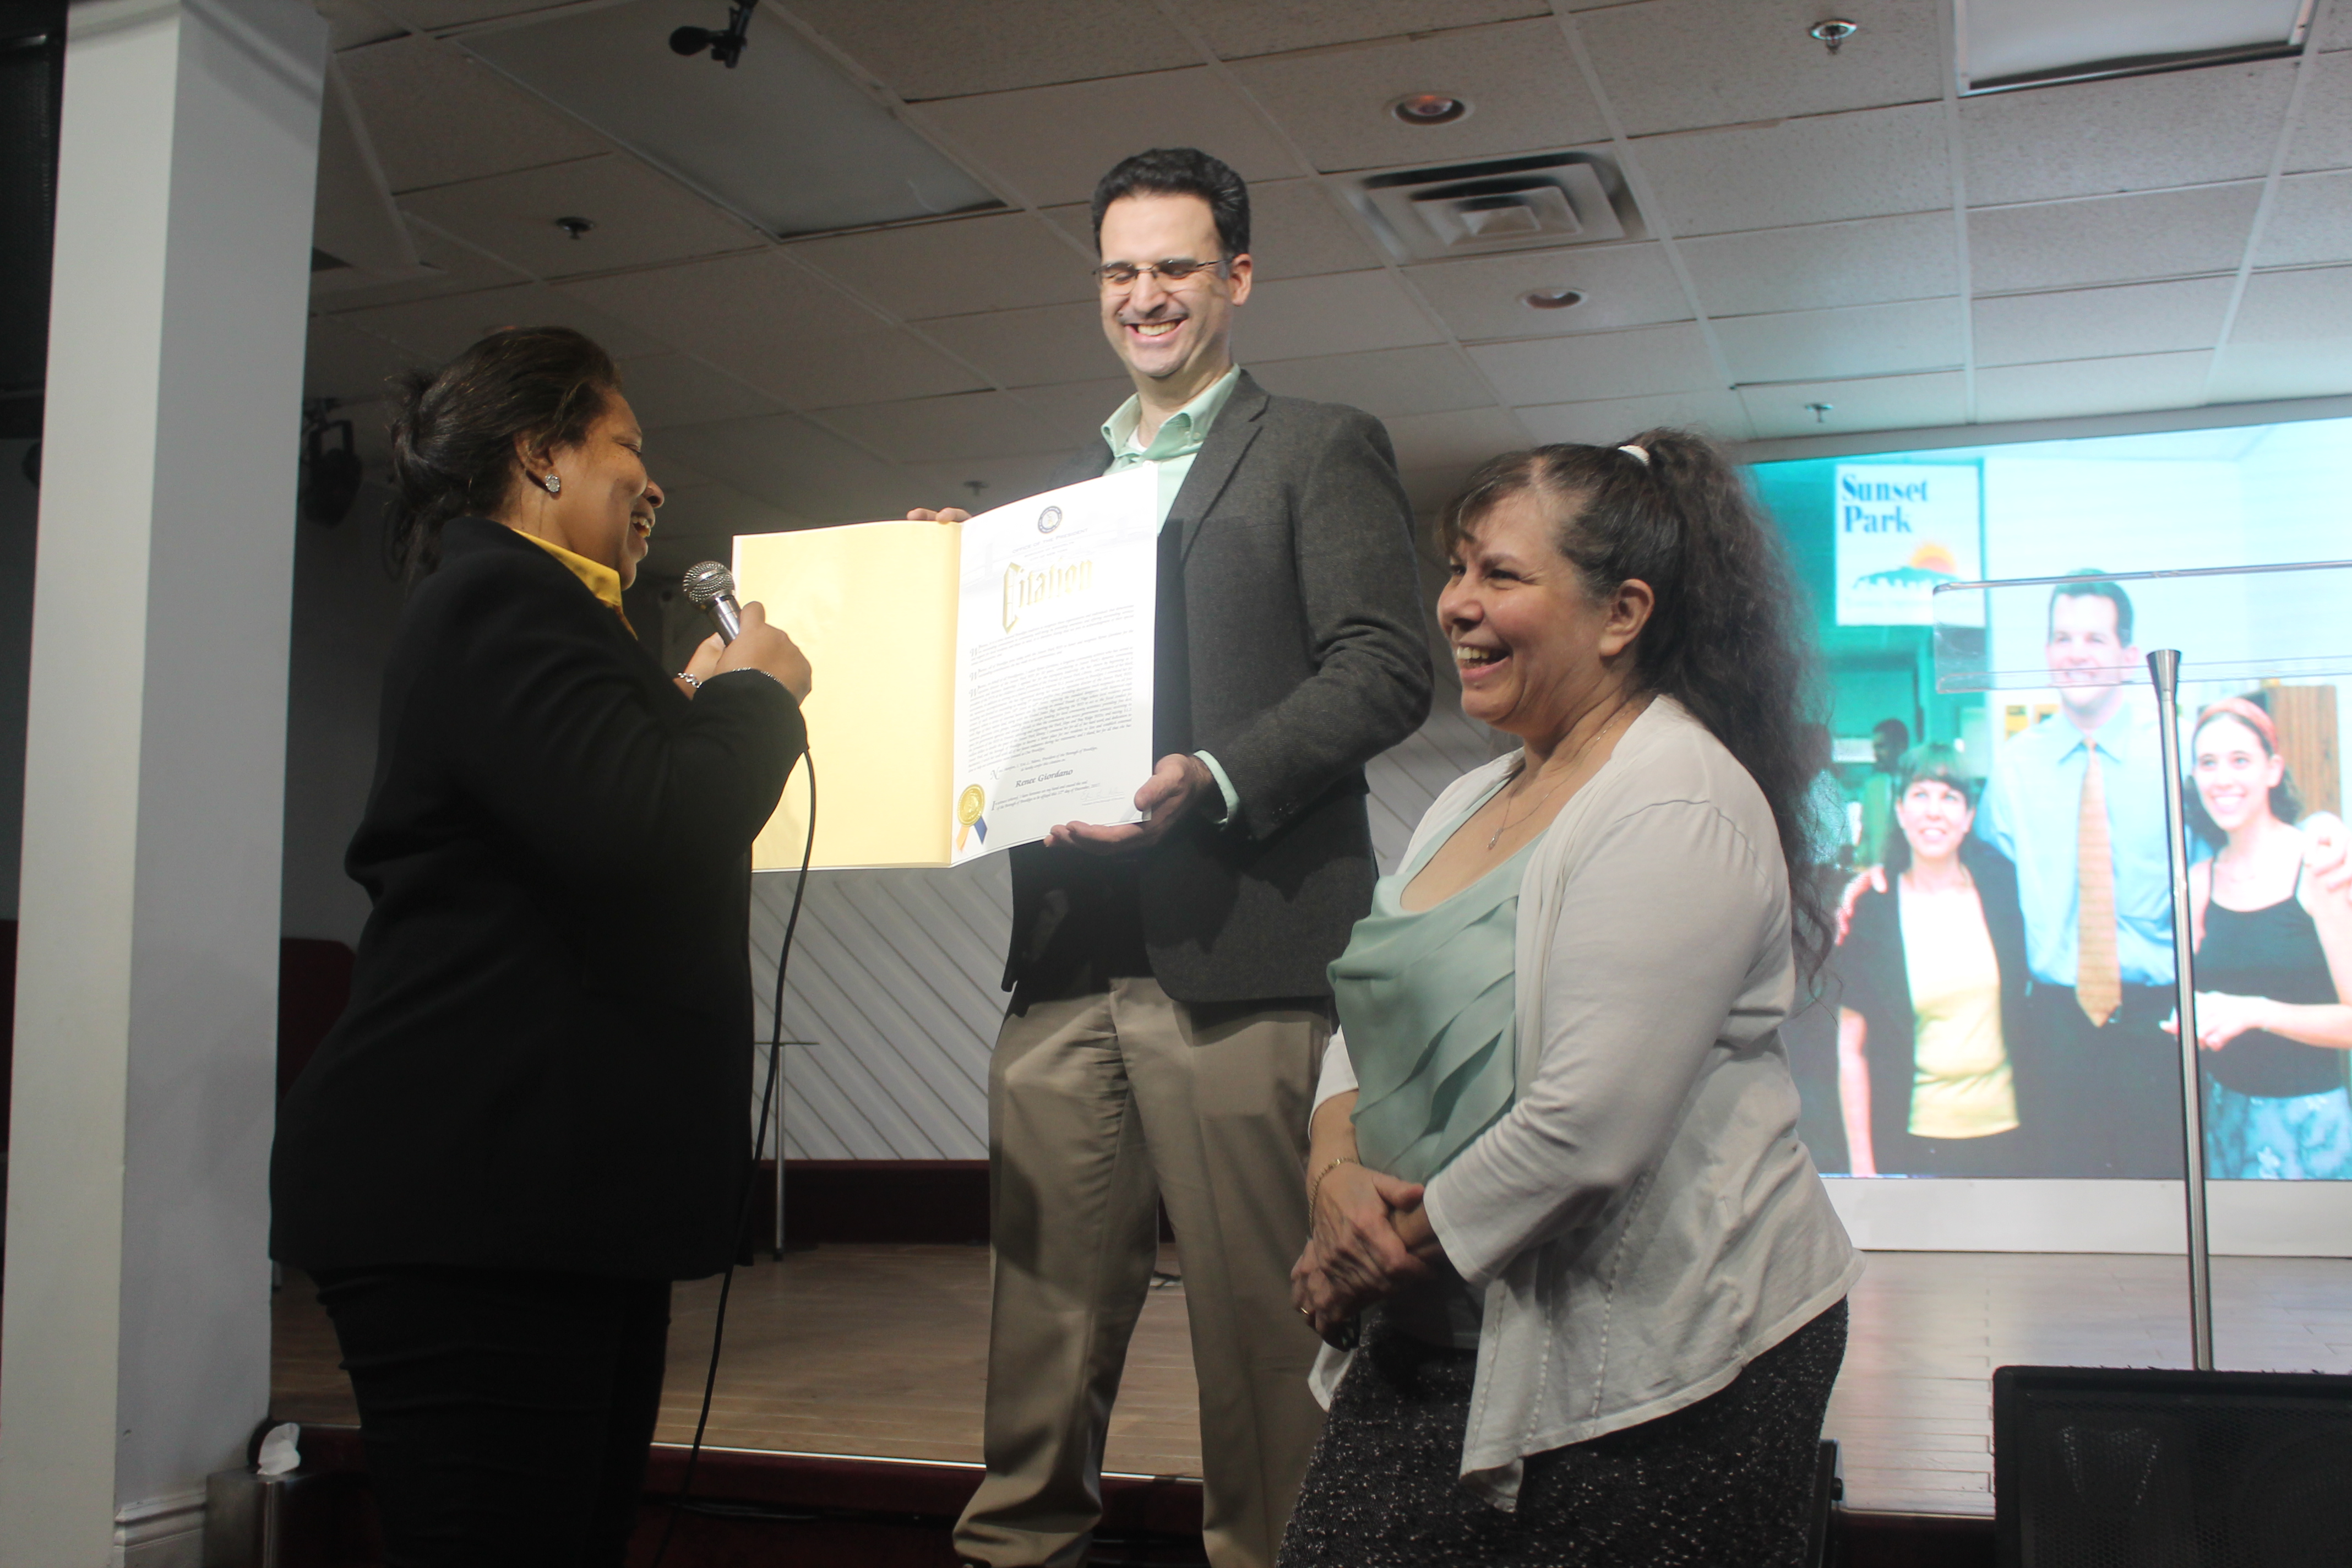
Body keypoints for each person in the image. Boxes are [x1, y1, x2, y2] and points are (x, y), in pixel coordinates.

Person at [911, 149, 1433, 1568]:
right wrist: (950, 591)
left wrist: (1215, 772)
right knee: (1038, 1322)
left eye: (1175, 267)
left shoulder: (1317, 445)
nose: (1144, 295)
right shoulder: (1054, 511)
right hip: (1065, 954)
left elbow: (1387, 666)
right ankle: (1016, 1553)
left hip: (1241, 950)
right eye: (1120, 270)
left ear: (1236, 277)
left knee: (1265, 1328)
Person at [270, 326, 813, 1565]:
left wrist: (687, 711)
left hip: (552, 1203)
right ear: (540, 453)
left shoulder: (559, 623)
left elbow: (599, 818)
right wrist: (755, 696)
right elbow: (654, 827)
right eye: (626, 444)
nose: (652, 481)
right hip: (472, 1205)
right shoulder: (497, 599)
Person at [1281, 433, 1861, 1567]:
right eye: (1456, 568)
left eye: (1499, 574)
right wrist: (1331, 1175)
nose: (1455, 603)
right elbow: (1371, 1014)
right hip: (1432, 1317)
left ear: (1621, 613)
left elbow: (1583, 1130)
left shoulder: (1677, 800)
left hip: (1661, 1360)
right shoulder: (1466, 795)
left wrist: (1362, 1255)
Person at [1968, 575, 2181, 1177]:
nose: (2077, 653)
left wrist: (2321, 831)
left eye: (2095, 638)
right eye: (2063, 638)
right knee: (2064, 1200)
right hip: (2054, 1029)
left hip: (2159, 1026)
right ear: (2046, 653)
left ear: (2129, 656)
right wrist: (1875, 881)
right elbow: (1969, 874)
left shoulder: (2176, 753)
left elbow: (2242, 847)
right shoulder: (2016, 767)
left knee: (2161, 1202)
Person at [1833, 744, 2031, 1177]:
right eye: (1920, 794)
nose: (1934, 812)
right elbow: (1851, 1049)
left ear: (1969, 817)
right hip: (1915, 1144)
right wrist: (1864, 1169)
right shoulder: (1874, 911)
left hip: (2010, 1138)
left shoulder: (2002, 889)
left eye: (1950, 797)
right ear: (1900, 811)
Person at [2174, 697, 2352, 1179]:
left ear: (2273, 770)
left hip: (2308, 1125)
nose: (2223, 778)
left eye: (2240, 760)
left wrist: (2257, 1013)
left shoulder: (2320, 867)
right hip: (2224, 1118)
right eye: (2208, 763)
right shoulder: (2200, 882)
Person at [1856, 717, 1909, 867]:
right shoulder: (1872, 787)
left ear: (1900, 747)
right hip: (1878, 871)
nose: (1876, 754)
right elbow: (1867, 836)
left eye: (1881, 747)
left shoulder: (1919, 787)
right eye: (1875, 748)